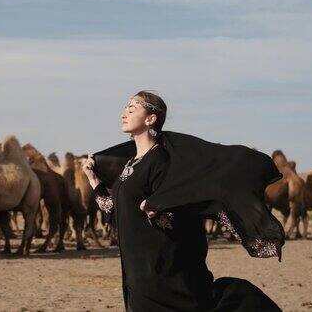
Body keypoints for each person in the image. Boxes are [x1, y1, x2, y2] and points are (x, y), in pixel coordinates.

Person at [82, 90, 283, 311]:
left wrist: (158, 209)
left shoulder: (163, 161)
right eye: (125, 108)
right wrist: (94, 181)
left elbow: (184, 203)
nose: (124, 113)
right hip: (137, 269)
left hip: (163, 269)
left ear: (151, 119)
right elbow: (116, 211)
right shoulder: (131, 164)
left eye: (132, 108)